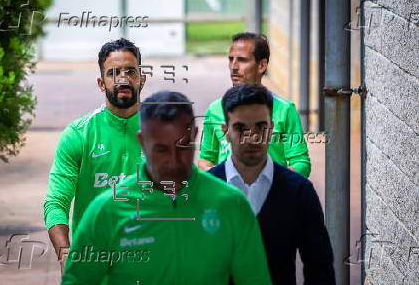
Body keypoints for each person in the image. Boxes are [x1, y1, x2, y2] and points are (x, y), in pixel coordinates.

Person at [61, 91, 272, 285]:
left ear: (195, 135)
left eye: (182, 146)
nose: (173, 160)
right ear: (142, 142)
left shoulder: (231, 205)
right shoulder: (107, 211)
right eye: (161, 150)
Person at [208, 84, 335, 284]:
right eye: (241, 128)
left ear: (272, 128)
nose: (252, 138)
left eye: (261, 127)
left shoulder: (299, 191)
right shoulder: (205, 191)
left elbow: (320, 269)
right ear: (226, 131)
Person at [43, 38, 146, 272]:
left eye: (130, 71)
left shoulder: (162, 134)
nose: (123, 79)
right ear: (101, 83)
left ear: (142, 78)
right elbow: (55, 202)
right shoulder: (78, 135)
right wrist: (65, 255)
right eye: (113, 73)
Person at [198, 32, 311, 177]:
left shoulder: (285, 109)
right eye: (231, 59)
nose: (233, 66)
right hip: (230, 197)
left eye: (242, 60)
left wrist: (276, 183)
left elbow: (300, 162)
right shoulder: (215, 109)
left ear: (262, 65)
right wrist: (222, 182)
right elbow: (206, 159)